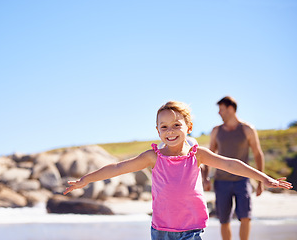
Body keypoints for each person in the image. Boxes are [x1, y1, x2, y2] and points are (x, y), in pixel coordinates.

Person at [63, 101, 292, 240]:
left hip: (190, 230)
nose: (170, 131)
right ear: (157, 130)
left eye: (176, 125)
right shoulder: (154, 156)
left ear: (188, 127)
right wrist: (86, 179)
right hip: (160, 229)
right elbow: (119, 167)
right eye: (164, 127)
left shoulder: (197, 154)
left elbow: (232, 164)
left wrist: (265, 178)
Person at [202, 96, 264, 240]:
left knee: (245, 216)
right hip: (221, 181)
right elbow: (208, 156)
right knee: (224, 220)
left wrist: (260, 181)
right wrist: (205, 178)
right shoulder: (216, 131)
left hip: (242, 180)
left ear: (230, 109)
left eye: (221, 110)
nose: (219, 113)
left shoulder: (247, 129)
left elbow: (257, 154)